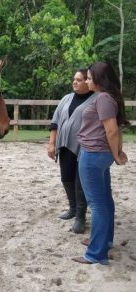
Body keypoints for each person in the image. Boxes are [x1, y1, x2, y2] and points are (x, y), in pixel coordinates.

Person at [72, 61, 129, 265]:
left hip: (93, 155)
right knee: (105, 201)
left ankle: (96, 254)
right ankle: (104, 241)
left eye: (88, 77)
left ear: (99, 79)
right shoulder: (106, 97)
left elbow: (112, 130)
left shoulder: (103, 98)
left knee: (97, 205)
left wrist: (116, 154)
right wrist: (116, 152)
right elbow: (115, 129)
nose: (86, 81)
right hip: (100, 155)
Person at [48, 69, 94, 234]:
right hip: (65, 145)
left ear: (88, 82)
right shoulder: (66, 98)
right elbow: (55, 122)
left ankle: (81, 217)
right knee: (66, 178)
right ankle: (73, 208)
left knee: (80, 182)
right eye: (74, 79)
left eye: (80, 80)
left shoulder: (95, 99)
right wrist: (52, 143)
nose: (75, 82)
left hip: (85, 147)